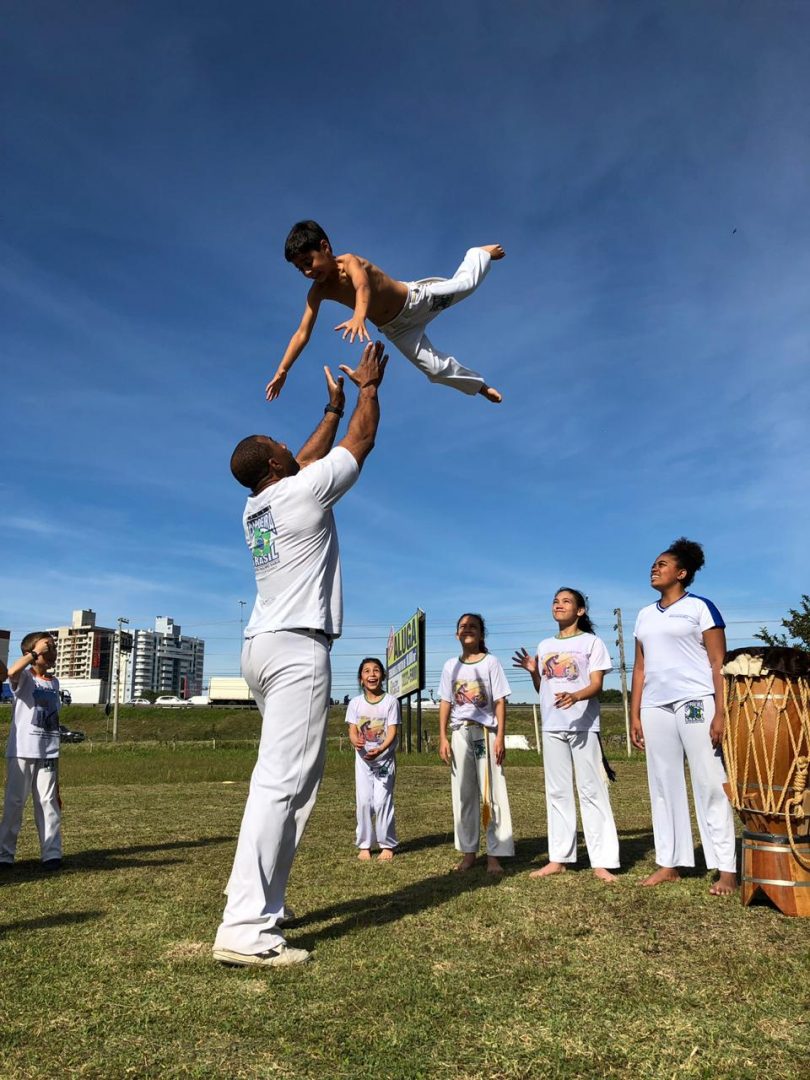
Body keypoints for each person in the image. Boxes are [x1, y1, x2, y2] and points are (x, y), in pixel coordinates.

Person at [212, 340, 388, 968]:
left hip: (261, 648)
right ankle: (244, 928)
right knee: (283, 783)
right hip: (295, 649)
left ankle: (257, 898)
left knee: (287, 781)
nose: (292, 444)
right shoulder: (298, 492)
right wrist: (366, 390)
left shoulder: (258, 505)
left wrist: (330, 408)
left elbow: (308, 456)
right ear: (276, 462)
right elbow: (357, 449)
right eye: (281, 444)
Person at [266, 220, 504, 404]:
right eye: (300, 269)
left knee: (465, 286)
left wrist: (359, 315)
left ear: (325, 248)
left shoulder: (348, 262)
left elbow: (362, 285)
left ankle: (477, 254)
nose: (307, 272)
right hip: (398, 330)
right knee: (434, 370)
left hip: (417, 301)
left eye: (308, 262)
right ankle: (480, 387)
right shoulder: (316, 292)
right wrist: (282, 369)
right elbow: (301, 333)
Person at [630, 537, 737, 896]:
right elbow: (640, 668)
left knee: (709, 780)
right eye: (654, 563)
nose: (654, 567)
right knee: (662, 783)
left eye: (662, 563)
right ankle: (669, 863)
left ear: (682, 572)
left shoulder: (700, 608)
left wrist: (721, 711)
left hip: (695, 701)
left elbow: (718, 662)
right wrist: (634, 714)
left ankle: (726, 868)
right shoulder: (644, 615)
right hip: (655, 706)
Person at [513, 589, 620, 883]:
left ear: (581, 611)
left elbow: (596, 684)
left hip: (584, 726)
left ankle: (602, 861)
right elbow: (543, 691)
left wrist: (576, 696)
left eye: (566, 601)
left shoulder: (592, 642)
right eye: (556, 601)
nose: (559, 605)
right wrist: (535, 672)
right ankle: (558, 858)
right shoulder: (545, 644)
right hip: (552, 726)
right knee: (557, 792)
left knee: (592, 791)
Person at [438, 613, 514, 874]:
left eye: (473, 626)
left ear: (481, 634)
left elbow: (500, 701)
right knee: (464, 795)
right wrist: (442, 737)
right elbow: (446, 702)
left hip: (486, 732)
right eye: (462, 626)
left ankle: (495, 853)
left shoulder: (491, 663)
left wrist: (500, 736)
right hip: (460, 733)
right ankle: (469, 852)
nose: (467, 630)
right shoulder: (450, 666)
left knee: (491, 793)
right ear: (456, 634)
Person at [0, 633, 63, 869]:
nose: (52, 653)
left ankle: (52, 854)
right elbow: (11, 673)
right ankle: (5, 855)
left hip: (48, 752)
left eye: (54, 649)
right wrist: (34, 653)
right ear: (32, 653)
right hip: (22, 750)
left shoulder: (54, 682)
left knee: (48, 803)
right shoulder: (24, 678)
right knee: (15, 802)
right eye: (48, 649)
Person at [346, 657, 399, 861]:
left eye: (376, 670)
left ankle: (387, 844)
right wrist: (355, 742)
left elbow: (392, 732)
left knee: (382, 801)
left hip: (384, 760)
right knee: (365, 802)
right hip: (363, 761)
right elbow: (352, 730)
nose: (372, 674)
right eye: (367, 671)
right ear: (361, 678)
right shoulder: (355, 703)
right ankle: (365, 845)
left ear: (382, 676)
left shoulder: (391, 702)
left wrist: (380, 749)